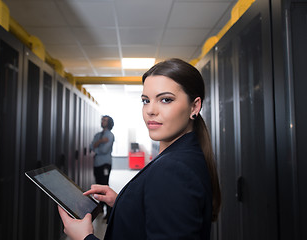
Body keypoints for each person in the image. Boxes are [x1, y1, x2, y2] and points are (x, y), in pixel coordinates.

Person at [58, 58, 221, 240]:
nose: (150, 110)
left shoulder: (173, 170)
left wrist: (84, 238)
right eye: (146, 100)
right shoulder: (187, 154)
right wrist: (123, 202)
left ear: (195, 106)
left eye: (165, 99)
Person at [90, 115, 115, 219]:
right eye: (102, 120)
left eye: (105, 120)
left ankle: (109, 211)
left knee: (104, 185)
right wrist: (100, 142)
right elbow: (92, 146)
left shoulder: (110, 135)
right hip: (97, 163)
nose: (102, 121)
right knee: (98, 186)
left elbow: (104, 150)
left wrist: (97, 146)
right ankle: (101, 208)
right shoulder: (98, 135)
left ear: (109, 123)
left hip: (105, 164)